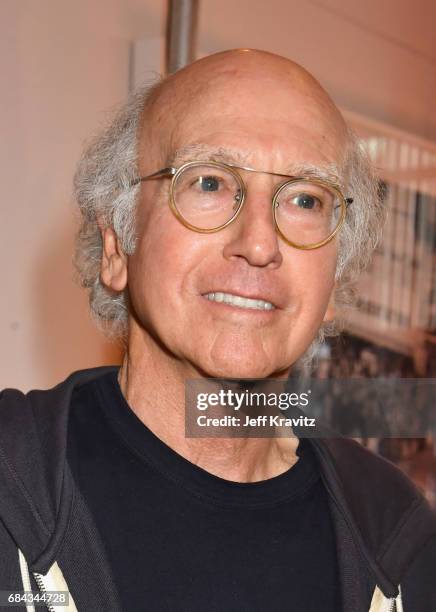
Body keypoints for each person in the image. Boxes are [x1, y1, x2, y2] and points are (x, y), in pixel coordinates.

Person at [0, 49, 435, 612]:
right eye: (208, 183)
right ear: (117, 245)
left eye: (306, 198)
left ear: (337, 277)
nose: (258, 243)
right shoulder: (14, 492)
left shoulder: (395, 539)